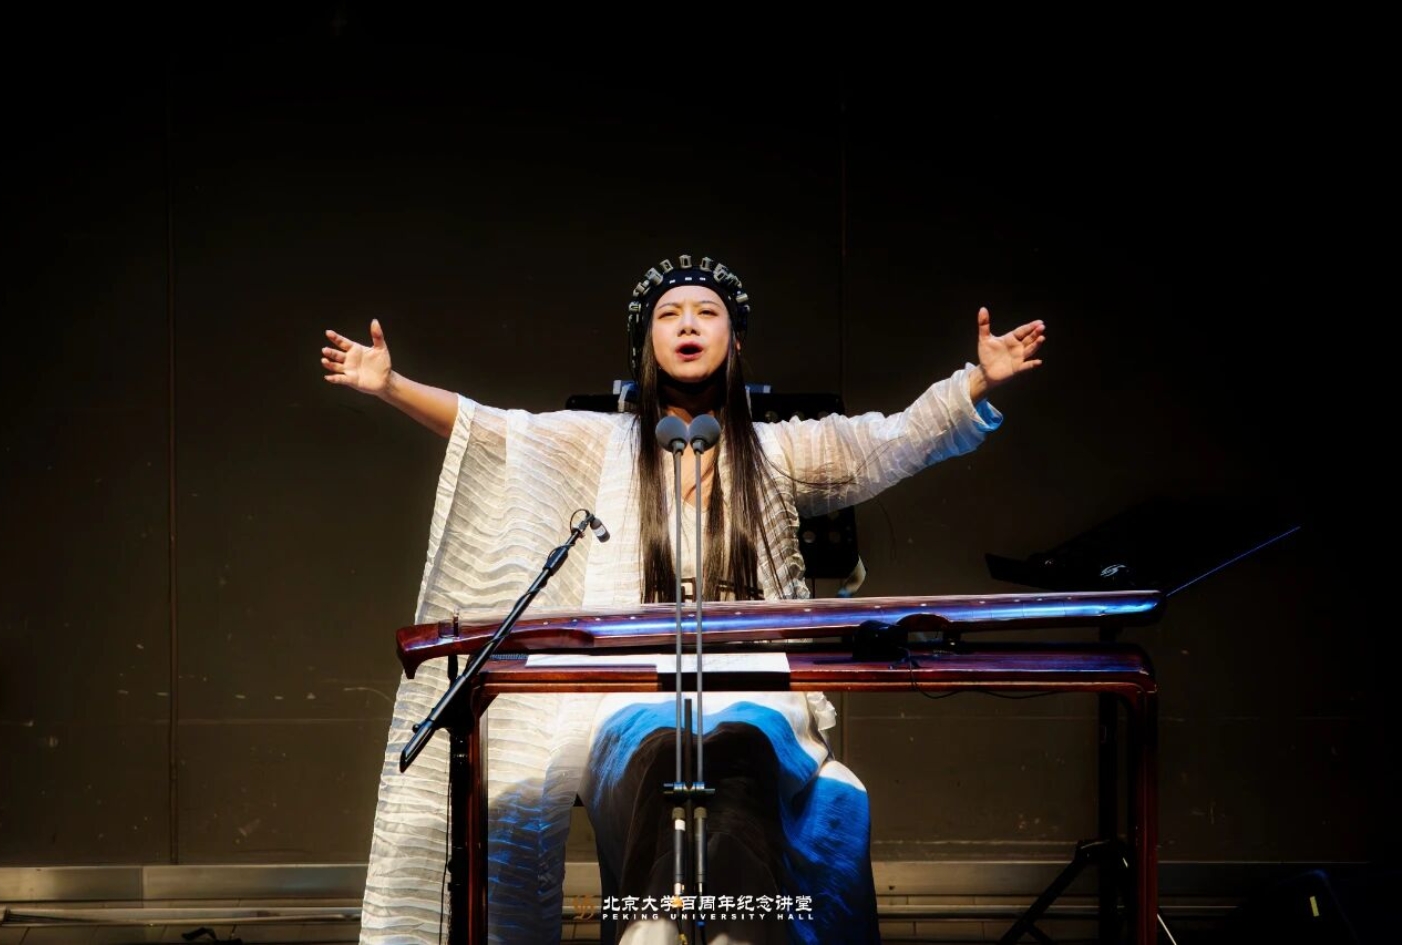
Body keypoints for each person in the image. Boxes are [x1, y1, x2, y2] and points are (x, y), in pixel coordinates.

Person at [321, 253, 1046, 945]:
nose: (689, 324)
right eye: (670, 314)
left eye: (707, 312)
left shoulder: (776, 451)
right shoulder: (598, 444)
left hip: (756, 689)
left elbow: (890, 441)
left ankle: (733, 930)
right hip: (629, 691)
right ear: (648, 342)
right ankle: (661, 929)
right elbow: (495, 430)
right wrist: (391, 385)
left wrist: (976, 383)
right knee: (667, 762)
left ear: (735, 339)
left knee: (736, 761)